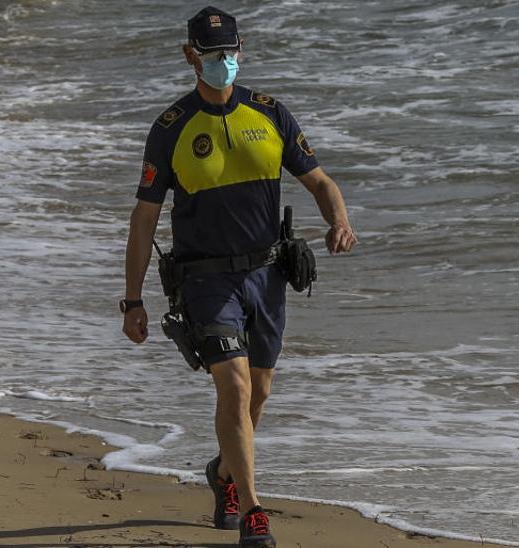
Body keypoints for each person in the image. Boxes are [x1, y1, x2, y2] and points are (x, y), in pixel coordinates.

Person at [119, 6, 356, 548]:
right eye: (211, 54)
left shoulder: (271, 113)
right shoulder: (171, 128)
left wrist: (339, 221)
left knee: (259, 395)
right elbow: (145, 218)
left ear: (240, 52)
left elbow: (320, 182)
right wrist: (132, 299)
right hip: (205, 282)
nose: (223, 62)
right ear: (190, 57)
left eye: (230, 53)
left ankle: (224, 473)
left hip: (267, 277)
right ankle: (253, 513)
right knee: (235, 383)